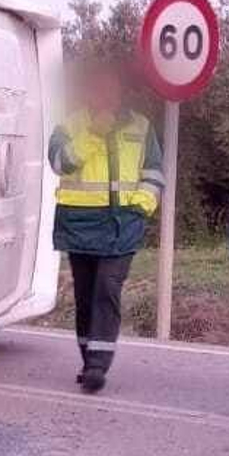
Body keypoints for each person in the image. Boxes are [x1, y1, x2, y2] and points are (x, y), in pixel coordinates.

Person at [46, 63, 163, 392]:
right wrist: (93, 134)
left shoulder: (141, 126)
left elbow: (154, 172)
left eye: (110, 89)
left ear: (119, 91)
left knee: (106, 290)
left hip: (121, 226)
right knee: (85, 296)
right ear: (88, 92)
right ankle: (88, 359)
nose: (105, 95)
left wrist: (140, 207)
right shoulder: (70, 125)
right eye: (98, 89)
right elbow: (59, 162)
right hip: (80, 225)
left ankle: (98, 364)